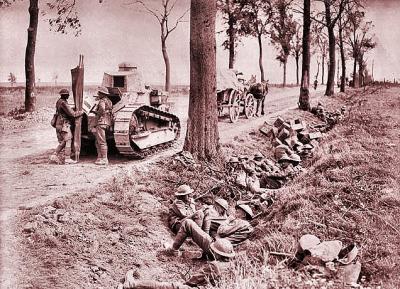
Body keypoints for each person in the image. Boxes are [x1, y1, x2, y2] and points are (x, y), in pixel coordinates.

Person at [117, 238, 234, 288]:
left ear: (217, 253)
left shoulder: (214, 265)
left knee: (164, 286)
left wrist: (182, 285)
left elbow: (193, 281)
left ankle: (131, 285)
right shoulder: (232, 267)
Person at [50, 88, 83, 164]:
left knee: (64, 141)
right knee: (68, 140)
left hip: (59, 123)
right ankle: (67, 158)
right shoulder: (64, 103)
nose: (68, 96)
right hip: (64, 124)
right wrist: (81, 112)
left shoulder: (59, 101)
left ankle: (54, 155)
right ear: (66, 95)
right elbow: (73, 114)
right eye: (67, 95)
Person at [94, 86, 113, 165]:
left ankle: (104, 159)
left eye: (99, 93)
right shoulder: (109, 101)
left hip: (101, 122)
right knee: (98, 141)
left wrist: (97, 114)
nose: (98, 94)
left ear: (102, 94)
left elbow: (102, 109)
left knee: (101, 141)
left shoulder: (102, 101)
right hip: (107, 122)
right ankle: (100, 157)